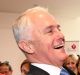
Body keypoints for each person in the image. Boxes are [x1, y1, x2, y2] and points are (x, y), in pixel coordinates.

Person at [12, 6, 69, 75]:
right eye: (50, 31)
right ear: (28, 46)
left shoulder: (67, 72)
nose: (61, 35)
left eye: (58, 29)